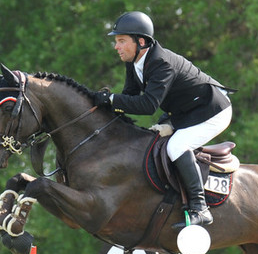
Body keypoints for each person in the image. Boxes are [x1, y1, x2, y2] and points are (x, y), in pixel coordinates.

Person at [94, 11, 234, 228]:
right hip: (185, 111)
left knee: (177, 146)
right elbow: (130, 95)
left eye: (121, 41)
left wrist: (111, 99)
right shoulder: (135, 61)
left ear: (140, 41)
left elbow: (148, 104)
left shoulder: (161, 63)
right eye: (116, 41)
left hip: (212, 111)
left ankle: (200, 207)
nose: (116, 47)